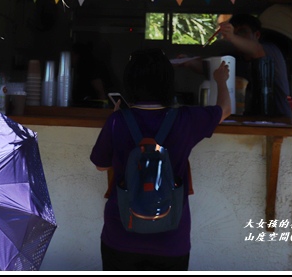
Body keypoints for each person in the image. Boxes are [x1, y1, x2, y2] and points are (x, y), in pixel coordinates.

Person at [89, 47, 231, 271]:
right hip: (171, 238)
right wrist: (220, 80)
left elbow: (100, 165)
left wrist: (117, 117)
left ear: (130, 83)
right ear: (168, 82)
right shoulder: (187, 119)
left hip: (121, 234)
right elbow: (225, 109)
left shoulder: (117, 121)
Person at [216, 14, 292, 119]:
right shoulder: (238, 60)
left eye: (242, 32)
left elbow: (257, 50)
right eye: (235, 32)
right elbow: (211, 67)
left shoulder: (271, 50)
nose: (238, 36)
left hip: (280, 121)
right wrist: (188, 61)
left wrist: (232, 37)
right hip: (252, 119)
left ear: (257, 35)